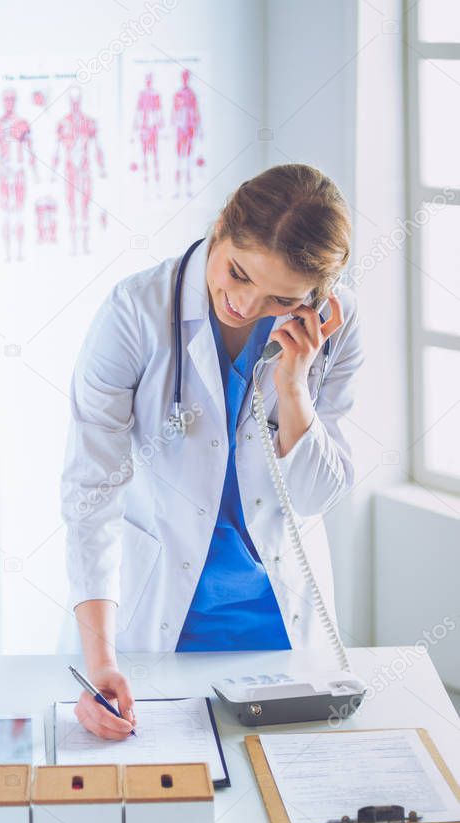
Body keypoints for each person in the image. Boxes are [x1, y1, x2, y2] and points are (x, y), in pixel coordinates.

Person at [60, 164, 363, 739]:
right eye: (238, 273)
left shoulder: (337, 330)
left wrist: (294, 390)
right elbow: (90, 491)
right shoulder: (134, 313)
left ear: (314, 299)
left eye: (280, 298)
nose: (246, 305)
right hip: (156, 621)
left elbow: (316, 496)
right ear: (221, 227)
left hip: (281, 626)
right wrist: (101, 662)